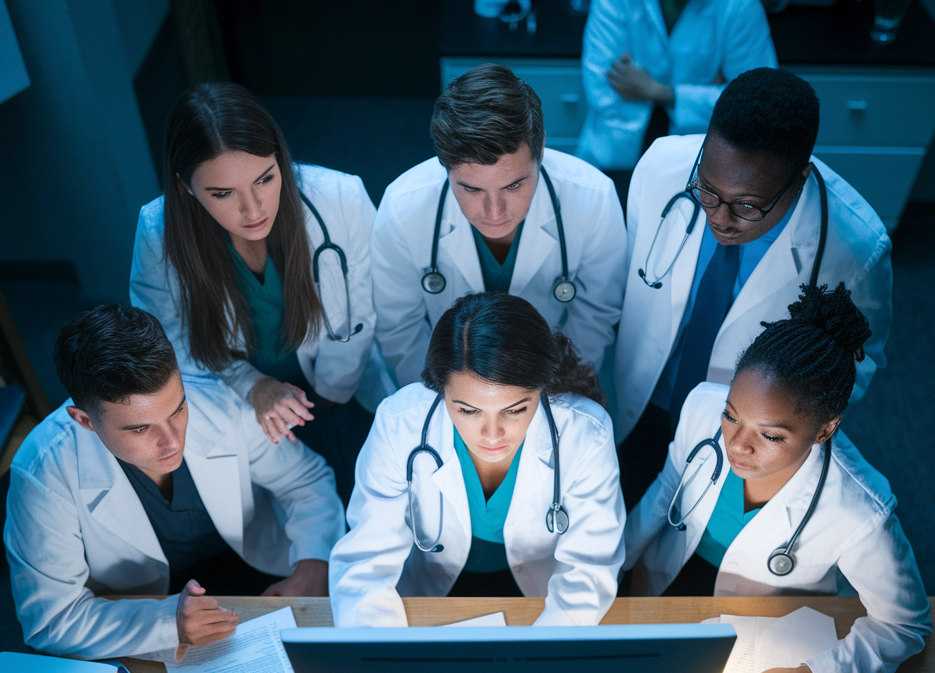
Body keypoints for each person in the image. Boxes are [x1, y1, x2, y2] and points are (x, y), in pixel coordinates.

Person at [624, 283, 930, 673]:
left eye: (770, 435)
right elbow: (666, 492)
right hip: (665, 588)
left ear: (826, 428)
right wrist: (607, 569)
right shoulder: (703, 406)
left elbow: (907, 625)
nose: (737, 446)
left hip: (755, 633)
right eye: (733, 416)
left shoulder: (859, 508)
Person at [613, 67, 892, 503]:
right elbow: (623, 280)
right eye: (707, 190)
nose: (719, 218)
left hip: (742, 434)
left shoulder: (854, 248)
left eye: (748, 206)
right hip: (640, 393)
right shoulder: (660, 167)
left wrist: (781, 435)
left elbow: (856, 365)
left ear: (799, 179)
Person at [5, 305, 345, 660]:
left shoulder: (216, 400)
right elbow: (52, 620)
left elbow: (306, 481)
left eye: (177, 410)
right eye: (140, 428)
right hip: (143, 607)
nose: (171, 442)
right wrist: (168, 626)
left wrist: (314, 564)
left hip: (257, 569)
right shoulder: (42, 473)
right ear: (85, 421)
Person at [130, 82, 385, 504]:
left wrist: (327, 398)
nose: (254, 210)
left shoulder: (341, 199)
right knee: (285, 514)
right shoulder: (159, 233)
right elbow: (164, 341)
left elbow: (364, 312)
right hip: (233, 399)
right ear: (184, 187)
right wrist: (251, 384)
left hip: (344, 388)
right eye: (223, 193)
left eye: (265, 179)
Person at [329, 293, 625, 627]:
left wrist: (544, 654)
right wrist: (377, 656)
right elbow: (366, 562)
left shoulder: (585, 432)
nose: (493, 434)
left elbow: (588, 570)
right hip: (430, 594)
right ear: (440, 389)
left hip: (542, 598)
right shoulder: (400, 424)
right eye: (468, 411)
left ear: (543, 388)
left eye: (515, 410)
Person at [369, 64, 626, 405]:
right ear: (443, 164)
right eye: (471, 189)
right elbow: (400, 331)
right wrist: (451, 406)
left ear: (542, 149)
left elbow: (594, 318)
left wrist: (549, 403)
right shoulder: (402, 209)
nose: (495, 213)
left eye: (514, 184)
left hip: (556, 388)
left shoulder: (594, 199)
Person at [575, 0, 777, 172]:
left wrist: (662, 93)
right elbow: (602, 90)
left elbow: (757, 102)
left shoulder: (740, 6)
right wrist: (711, 95)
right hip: (615, 157)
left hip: (705, 164)